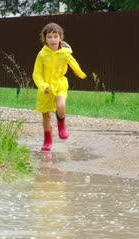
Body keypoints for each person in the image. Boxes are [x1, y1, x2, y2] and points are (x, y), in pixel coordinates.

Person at [32, 22, 87, 151]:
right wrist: (43, 86)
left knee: (61, 105)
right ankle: (48, 140)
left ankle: (61, 124)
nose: (52, 40)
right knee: (46, 116)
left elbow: (74, 64)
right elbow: (37, 74)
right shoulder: (42, 55)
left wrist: (79, 73)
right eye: (49, 37)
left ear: (60, 37)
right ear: (44, 39)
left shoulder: (64, 53)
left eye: (55, 36)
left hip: (60, 84)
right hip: (45, 89)